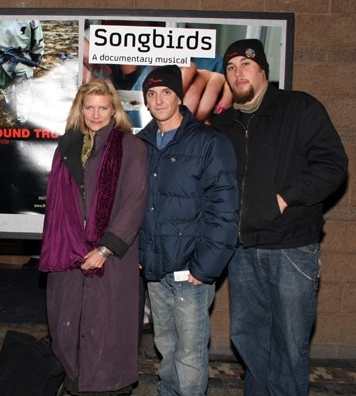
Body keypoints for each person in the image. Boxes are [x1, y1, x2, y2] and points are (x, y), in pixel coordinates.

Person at [212, 39, 348, 396]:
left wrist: (284, 199)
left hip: (291, 248)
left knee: (289, 343)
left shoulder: (299, 107)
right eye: (230, 67)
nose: (238, 72)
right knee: (248, 337)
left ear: (263, 70)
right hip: (242, 251)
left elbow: (333, 165)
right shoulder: (223, 125)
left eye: (245, 64)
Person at [39, 79, 148, 395]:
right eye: (90, 107)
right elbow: (57, 203)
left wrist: (106, 247)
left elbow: (135, 200)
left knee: (107, 332)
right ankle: (73, 382)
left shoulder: (131, 147)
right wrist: (67, 243)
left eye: (103, 107)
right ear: (80, 109)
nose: (96, 114)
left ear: (114, 109)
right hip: (69, 254)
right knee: (68, 325)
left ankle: (109, 389)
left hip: (112, 257)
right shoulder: (66, 147)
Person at [136, 65, 239, 396]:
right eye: (151, 94)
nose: (159, 100)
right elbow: (134, 206)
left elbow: (224, 208)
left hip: (191, 269)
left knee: (191, 354)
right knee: (166, 345)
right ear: (146, 102)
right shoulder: (141, 144)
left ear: (179, 97)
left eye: (166, 92)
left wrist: (204, 268)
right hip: (155, 267)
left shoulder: (209, 142)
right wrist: (140, 254)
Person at [0, 19, 45, 125]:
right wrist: (36, 59)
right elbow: (38, 44)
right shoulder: (31, 18)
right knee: (23, 93)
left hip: (0, 64)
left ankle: (9, 103)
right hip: (22, 64)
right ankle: (22, 119)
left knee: (5, 87)